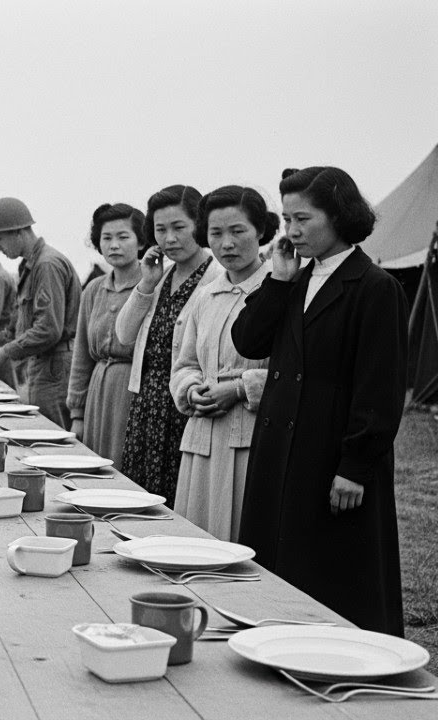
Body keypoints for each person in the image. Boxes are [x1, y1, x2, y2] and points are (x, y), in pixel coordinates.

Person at [232, 167, 406, 635]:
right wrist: (278, 282)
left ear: (339, 215)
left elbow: (380, 388)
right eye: (286, 219)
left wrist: (355, 465)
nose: (291, 231)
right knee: (278, 567)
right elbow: (249, 340)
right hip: (281, 454)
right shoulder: (294, 280)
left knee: (332, 574)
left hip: (330, 455)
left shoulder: (374, 287)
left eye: (303, 219)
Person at [170, 187, 276, 541]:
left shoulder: (280, 290)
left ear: (260, 231)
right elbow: (184, 363)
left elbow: (293, 370)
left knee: (246, 537)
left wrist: (240, 387)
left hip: (252, 436)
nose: (226, 243)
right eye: (216, 233)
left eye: (238, 231)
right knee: (198, 537)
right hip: (202, 436)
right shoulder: (206, 295)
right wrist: (191, 389)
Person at [114, 185, 222, 504]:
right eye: (161, 230)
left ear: (199, 226)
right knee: (139, 497)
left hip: (186, 404)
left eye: (179, 227)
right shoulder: (159, 275)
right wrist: (146, 282)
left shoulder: (217, 277)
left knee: (179, 498)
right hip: (148, 402)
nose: (169, 239)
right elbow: (124, 334)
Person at [0, 197, 82, 427]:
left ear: (18, 232)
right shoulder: (30, 266)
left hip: (55, 367)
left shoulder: (46, 265)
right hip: (43, 365)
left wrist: (4, 352)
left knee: (51, 440)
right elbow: (19, 324)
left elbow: (48, 329)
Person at [66, 203, 147, 469]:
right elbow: (81, 355)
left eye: (123, 237)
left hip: (133, 391)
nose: (114, 245)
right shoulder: (92, 290)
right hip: (98, 392)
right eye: (107, 238)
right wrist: (77, 412)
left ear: (140, 241)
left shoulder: (151, 287)